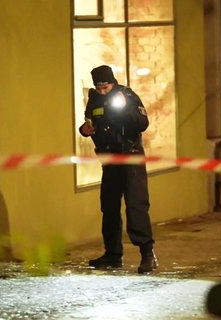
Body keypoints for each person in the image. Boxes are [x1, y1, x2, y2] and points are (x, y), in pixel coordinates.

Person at [78, 65, 157, 274]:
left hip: (130, 157)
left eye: (105, 86)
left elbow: (142, 123)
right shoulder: (94, 99)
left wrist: (123, 110)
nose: (103, 91)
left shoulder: (127, 95)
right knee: (109, 207)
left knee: (136, 205)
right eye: (99, 87)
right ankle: (113, 254)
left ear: (112, 82)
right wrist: (85, 130)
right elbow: (89, 121)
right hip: (109, 160)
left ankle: (147, 254)